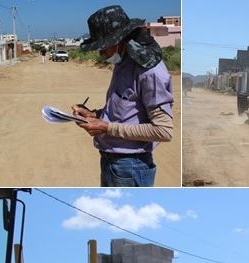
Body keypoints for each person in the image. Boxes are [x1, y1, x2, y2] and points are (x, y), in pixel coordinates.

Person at [72, 5, 174, 187]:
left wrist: (106, 127)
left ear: (120, 40)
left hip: (131, 167)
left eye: (104, 47)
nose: (101, 53)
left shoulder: (150, 72)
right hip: (113, 163)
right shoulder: (123, 62)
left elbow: (163, 131)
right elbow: (128, 111)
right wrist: (94, 115)